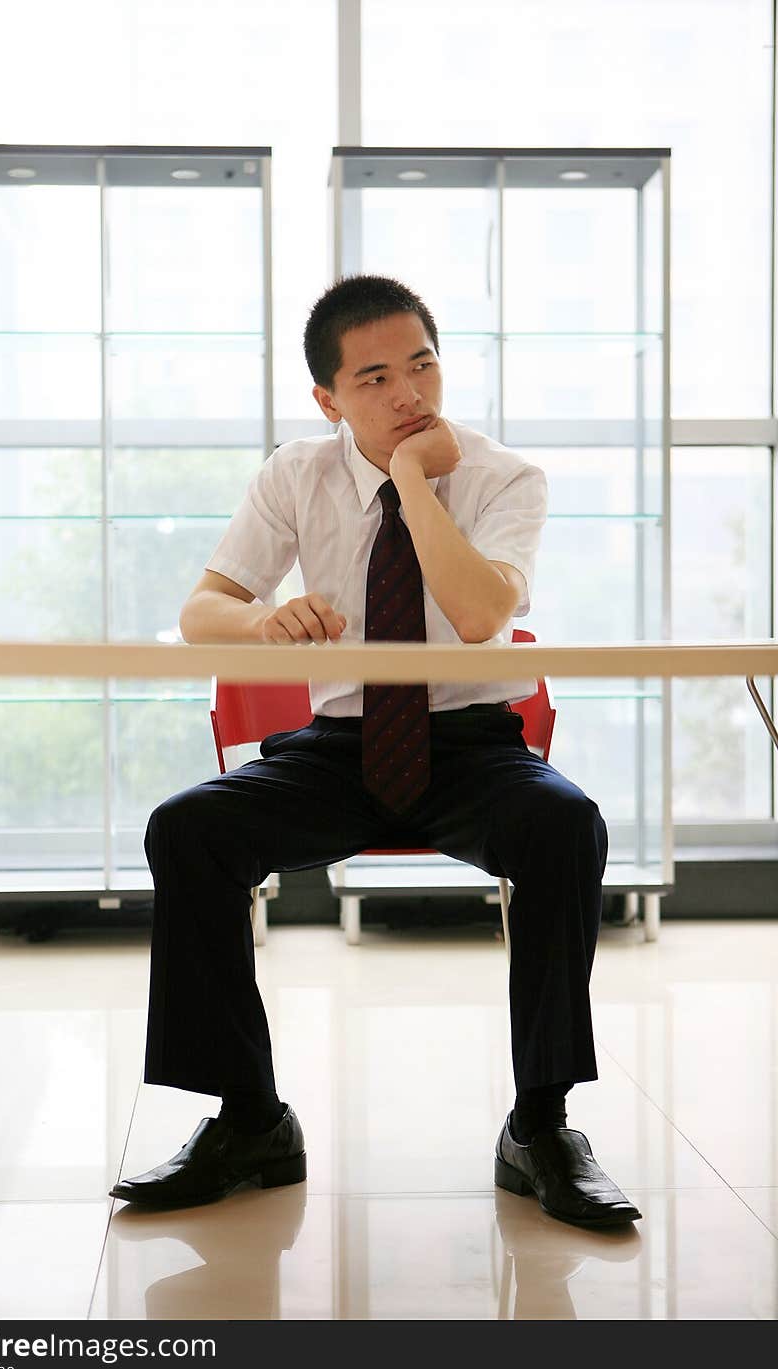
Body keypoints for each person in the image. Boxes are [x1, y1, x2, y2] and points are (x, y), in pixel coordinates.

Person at [110, 274, 642, 1231]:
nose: (409, 396)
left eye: (424, 365)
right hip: (340, 747)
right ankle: (249, 1121)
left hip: (473, 746)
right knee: (188, 830)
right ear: (328, 400)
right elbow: (202, 613)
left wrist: (409, 483)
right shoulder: (295, 474)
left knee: (566, 826)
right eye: (376, 379)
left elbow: (483, 615)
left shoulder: (504, 476)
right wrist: (265, 617)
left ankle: (542, 1124)